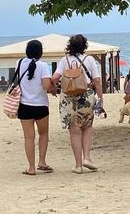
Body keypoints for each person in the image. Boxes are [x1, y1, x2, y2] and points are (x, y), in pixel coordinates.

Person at [52, 34, 103, 174]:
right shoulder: (90, 59)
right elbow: (97, 81)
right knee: (87, 127)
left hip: (68, 99)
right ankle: (87, 158)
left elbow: (55, 78)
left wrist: (51, 88)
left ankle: (78, 165)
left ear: (70, 45)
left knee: (74, 131)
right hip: (86, 96)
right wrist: (100, 99)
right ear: (84, 45)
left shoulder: (64, 60)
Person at [17, 39, 56, 176]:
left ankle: (31, 168)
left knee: (29, 137)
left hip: (24, 105)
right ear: (40, 52)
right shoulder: (43, 66)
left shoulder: (19, 63)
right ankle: (42, 162)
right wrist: (53, 88)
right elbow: (46, 85)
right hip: (40, 105)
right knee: (43, 134)